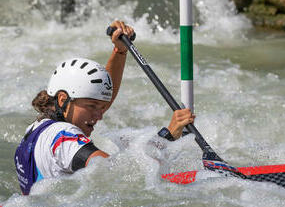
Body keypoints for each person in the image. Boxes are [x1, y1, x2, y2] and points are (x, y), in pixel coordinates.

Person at [14, 20, 195, 195]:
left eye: (101, 107)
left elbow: (98, 98)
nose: (100, 115)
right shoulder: (64, 137)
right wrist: (167, 136)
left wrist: (119, 51)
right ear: (62, 99)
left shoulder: (37, 129)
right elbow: (117, 174)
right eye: (93, 106)